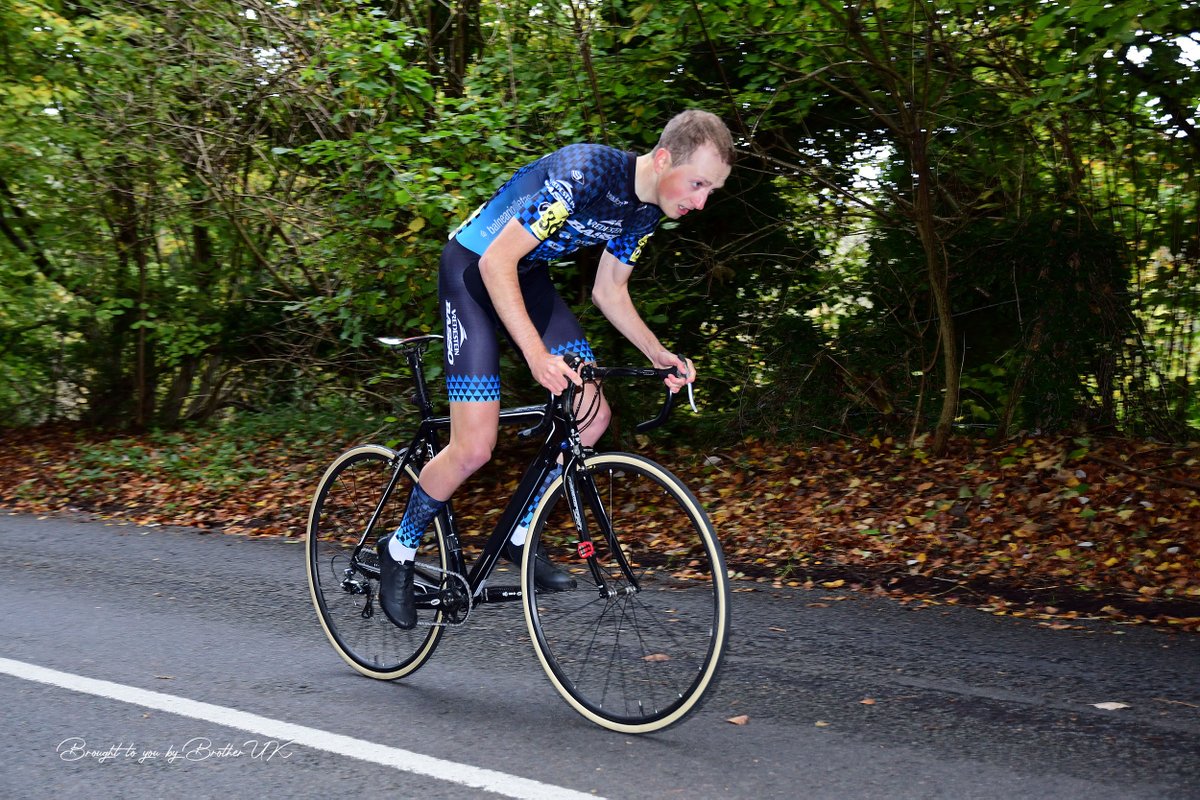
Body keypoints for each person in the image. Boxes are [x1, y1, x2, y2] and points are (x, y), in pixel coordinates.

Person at [377, 109, 735, 629]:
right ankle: (399, 548)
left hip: (527, 277)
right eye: (698, 183)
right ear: (663, 159)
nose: (701, 202)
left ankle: (520, 535)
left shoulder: (646, 211)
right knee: (474, 447)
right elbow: (494, 263)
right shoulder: (587, 172)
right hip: (474, 271)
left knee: (592, 415)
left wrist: (657, 353)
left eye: (712, 191)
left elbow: (609, 290)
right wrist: (535, 355)